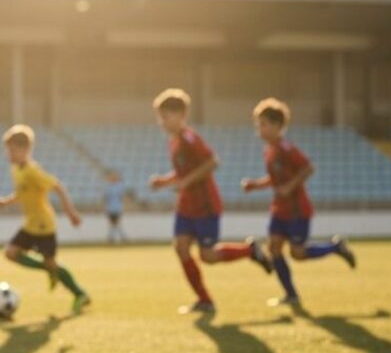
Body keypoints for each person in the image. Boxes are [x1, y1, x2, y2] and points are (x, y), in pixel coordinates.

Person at [147, 88, 273, 314]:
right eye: (160, 117)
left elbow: (212, 163)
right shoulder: (174, 142)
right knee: (181, 247)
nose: (161, 122)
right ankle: (204, 300)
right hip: (186, 206)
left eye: (165, 116)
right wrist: (164, 181)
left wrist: (185, 183)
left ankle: (249, 251)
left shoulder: (189, 138)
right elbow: (184, 172)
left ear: (180, 115)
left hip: (205, 205)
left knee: (208, 256)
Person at [241, 98, 356, 306]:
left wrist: (290, 187)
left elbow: (308, 168)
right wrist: (256, 185)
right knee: (274, 248)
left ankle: (335, 247)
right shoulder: (269, 150)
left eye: (263, 124)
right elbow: (276, 179)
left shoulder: (286, 147)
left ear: (277, 126)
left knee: (298, 253)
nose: (259, 129)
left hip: (296, 210)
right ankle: (291, 295)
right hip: (279, 209)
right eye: (258, 124)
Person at [0, 124, 91, 315]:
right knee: (10, 253)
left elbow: (58, 187)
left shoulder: (33, 171)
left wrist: (71, 213)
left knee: (51, 263)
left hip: (45, 226)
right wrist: (5, 202)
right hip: (30, 225)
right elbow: (22, 192)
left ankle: (80, 294)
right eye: (7, 150)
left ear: (25, 150)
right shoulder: (16, 170)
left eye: (12, 150)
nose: (8, 154)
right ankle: (49, 270)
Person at [103, 170, 130, 244]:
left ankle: (118, 238)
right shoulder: (108, 186)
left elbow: (123, 197)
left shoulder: (119, 186)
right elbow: (106, 198)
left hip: (117, 208)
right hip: (110, 208)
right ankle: (114, 238)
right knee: (112, 224)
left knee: (117, 224)